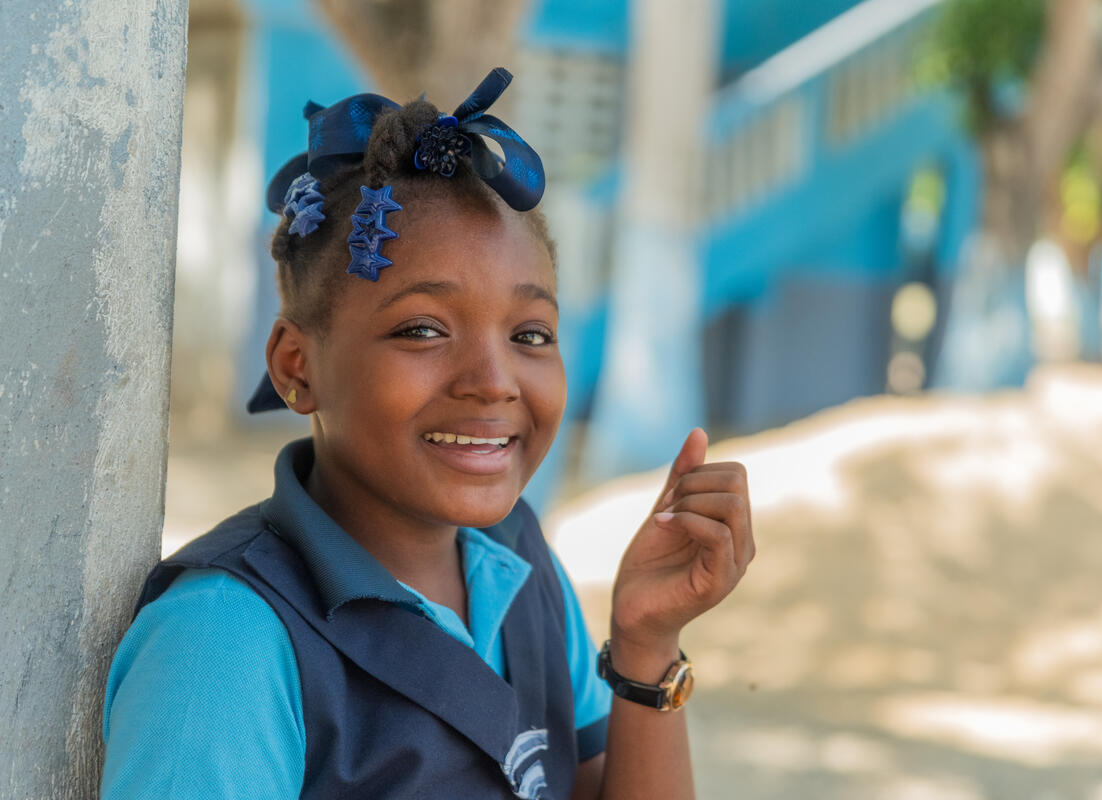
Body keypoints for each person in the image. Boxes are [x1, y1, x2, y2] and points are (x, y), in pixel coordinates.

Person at [100, 68, 754, 800]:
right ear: (297, 364)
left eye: (531, 333)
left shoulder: (519, 565)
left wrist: (646, 643)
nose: (494, 380)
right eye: (422, 329)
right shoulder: (224, 643)